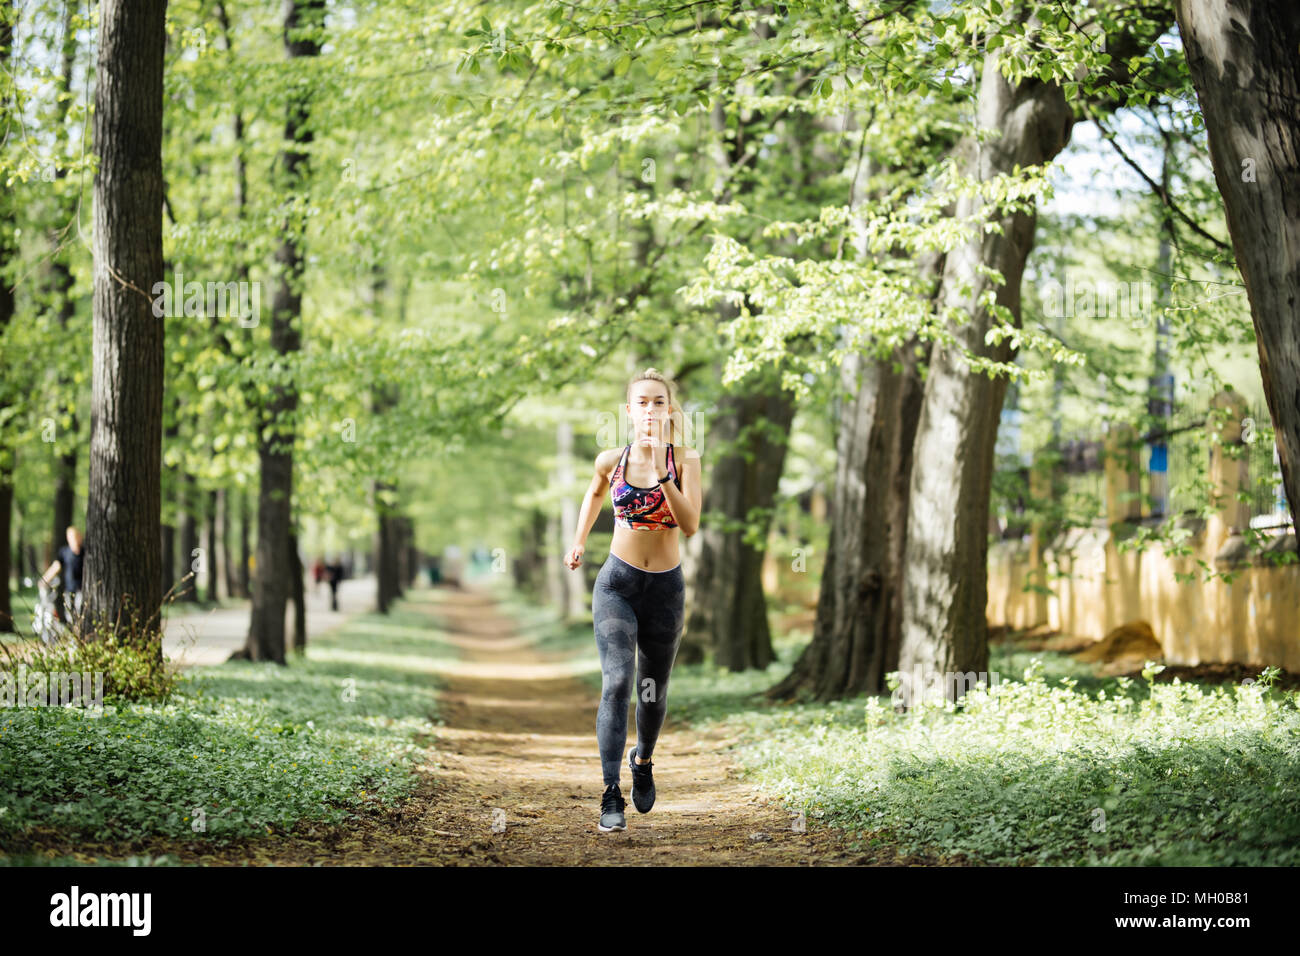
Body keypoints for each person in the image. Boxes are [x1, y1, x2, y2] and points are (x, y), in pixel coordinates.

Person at [564, 367, 702, 832]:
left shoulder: (686, 460)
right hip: (617, 585)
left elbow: (690, 525)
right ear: (629, 410)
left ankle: (641, 760)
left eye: (658, 402)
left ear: (668, 410)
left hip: (665, 588)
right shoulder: (611, 459)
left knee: (652, 690)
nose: (649, 409)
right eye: (641, 402)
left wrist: (664, 476)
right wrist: (579, 540)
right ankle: (610, 793)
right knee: (617, 682)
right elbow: (595, 491)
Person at [40, 525, 86, 627]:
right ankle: (74, 637)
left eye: (75, 537)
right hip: (69, 590)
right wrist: (44, 580)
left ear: (79, 537)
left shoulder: (85, 552)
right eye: (70, 538)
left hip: (82, 590)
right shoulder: (64, 552)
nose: (73, 540)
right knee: (70, 616)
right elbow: (56, 567)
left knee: (79, 612)